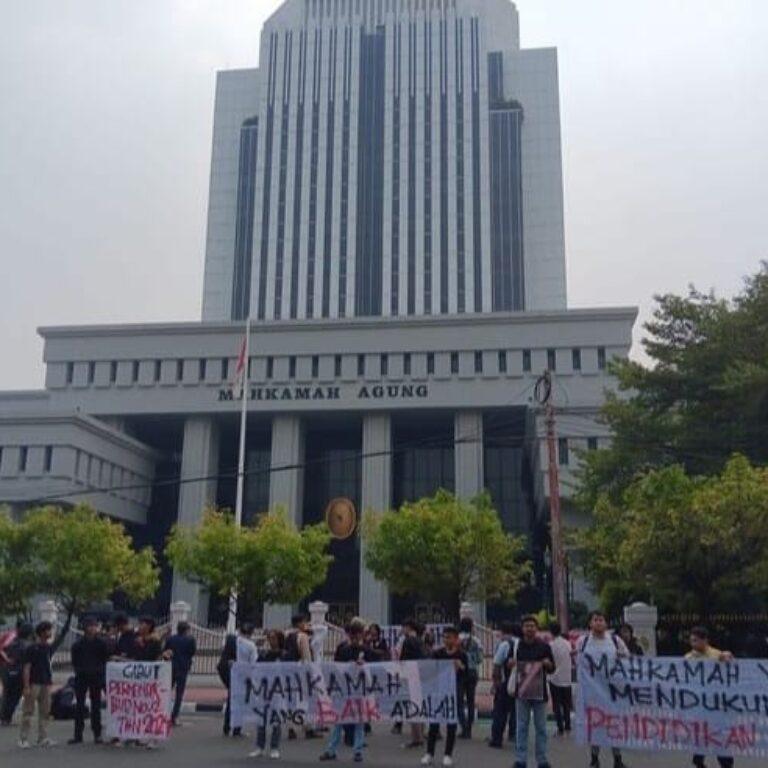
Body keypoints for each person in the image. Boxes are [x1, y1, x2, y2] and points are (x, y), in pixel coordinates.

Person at [319, 623, 377, 763]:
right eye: (355, 634)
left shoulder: (360, 650)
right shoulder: (349, 649)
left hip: (354, 689)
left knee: (352, 721)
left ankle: (342, 750)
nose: (356, 637)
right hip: (349, 689)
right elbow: (337, 668)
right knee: (345, 721)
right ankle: (342, 750)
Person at [580, 611, 630, 768]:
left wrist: (621, 656)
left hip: (612, 691)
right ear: (590, 623)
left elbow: (627, 659)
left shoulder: (615, 640)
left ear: (606, 623)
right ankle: (594, 758)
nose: (599, 622)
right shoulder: (583, 641)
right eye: (595, 620)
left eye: (601, 620)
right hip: (592, 691)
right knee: (595, 725)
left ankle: (617, 758)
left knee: (614, 725)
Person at [686, 627, 735, 768]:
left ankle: (726, 763)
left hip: (716, 705)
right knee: (701, 735)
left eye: (695, 640)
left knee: (719, 736)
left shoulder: (717, 655)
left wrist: (729, 657)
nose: (693, 644)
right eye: (691, 641)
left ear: (705, 640)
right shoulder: (688, 658)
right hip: (698, 705)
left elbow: (732, 670)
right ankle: (699, 761)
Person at [510, 615, 555, 768]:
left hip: (539, 691)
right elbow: (509, 664)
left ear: (537, 628)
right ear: (522, 629)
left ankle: (542, 760)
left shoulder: (544, 647)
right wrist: (510, 664)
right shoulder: (516, 646)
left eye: (532, 626)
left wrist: (548, 664)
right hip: (521, 691)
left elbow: (552, 668)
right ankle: (520, 759)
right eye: (526, 626)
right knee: (521, 726)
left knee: (541, 727)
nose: (529, 628)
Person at [421, 626, 467, 767]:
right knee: (434, 724)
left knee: (451, 725)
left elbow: (467, 675)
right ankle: (429, 753)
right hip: (438, 692)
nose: (446, 640)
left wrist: (461, 667)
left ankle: (448, 755)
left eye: (449, 637)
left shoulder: (461, 655)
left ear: (456, 639)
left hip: (454, 693)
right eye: (444, 637)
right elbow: (430, 670)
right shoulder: (437, 653)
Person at [69, 617, 109, 745]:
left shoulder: (101, 643)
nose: (93, 628)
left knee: (96, 706)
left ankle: (97, 734)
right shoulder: (77, 645)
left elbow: (105, 659)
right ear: (85, 628)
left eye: (94, 626)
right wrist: (79, 671)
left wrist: (99, 671)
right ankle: (77, 734)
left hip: (96, 676)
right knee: (79, 706)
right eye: (90, 626)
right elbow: (74, 661)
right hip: (81, 676)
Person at [19, 621, 56, 749]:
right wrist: (26, 685)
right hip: (34, 682)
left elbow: (49, 665)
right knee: (28, 711)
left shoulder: (49, 647)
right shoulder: (32, 648)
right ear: (41, 632)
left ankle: (43, 737)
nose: (50, 633)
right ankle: (23, 738)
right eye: (48, 630)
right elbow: (27, 667)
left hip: (46, 682)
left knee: (45, 711)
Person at [249, 630, 285, 760]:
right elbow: (256, 667)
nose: (271, 641)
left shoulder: (284, 654)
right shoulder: (265, 654)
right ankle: (260, 746)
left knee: (276, 720)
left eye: (274, 638)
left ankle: (274, 747)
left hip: (278, 691)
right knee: (261, 719)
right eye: (270, 638)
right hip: (265, 689)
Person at [284, 614, 318, 740]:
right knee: (305, 700)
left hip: (288, 671)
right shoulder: (302, 637)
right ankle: (308, 727)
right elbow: (306, 657)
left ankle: (290, 727)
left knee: (291, 700)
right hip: (301, 672)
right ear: (299, 623)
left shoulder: (287, 635)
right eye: (304, 622)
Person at [489, 621, 518, 749]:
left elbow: (497, 665)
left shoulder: (505, 644)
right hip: (521, 683)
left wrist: (496, 683)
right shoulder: (521, 643)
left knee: (500, 711)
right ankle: (514, 734)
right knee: (516, 710)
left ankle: (497, 738)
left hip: (506, 682)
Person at [399, 619, 427, 749]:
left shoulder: (408, 641)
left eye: (403, 627)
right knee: (419, 705)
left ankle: (416, 738)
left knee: (413, 706)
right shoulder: (420, 641)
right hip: (421, 675)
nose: (402, 630)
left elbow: (403, 660)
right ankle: (420, 734)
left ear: (408, 628)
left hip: (411, 675)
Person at [164, 621, 197, 726]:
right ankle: (174, 716)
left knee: (167, 691)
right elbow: (192, 652)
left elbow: (166, 651)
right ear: (186, 630)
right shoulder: (190, 640)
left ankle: (164, 713)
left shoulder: (171, 639)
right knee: (179, 693)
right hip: (183, 667)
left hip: (171, 667)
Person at [1, 622, 33, 726]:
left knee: (7, 694)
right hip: (19, 673)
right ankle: (6, 717)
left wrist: (7, 661)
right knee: (14, 697)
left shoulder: (13, 642)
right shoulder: (27, 646)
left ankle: (4, 717)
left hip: (7, 671)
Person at [457, 617, 483, 740]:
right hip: (472, 672)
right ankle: (469, 728)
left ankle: (463, 726)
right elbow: (480, 659)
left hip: (459, 671)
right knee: (471, 700)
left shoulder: (456, 640)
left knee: (459, 701)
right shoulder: (476, 641)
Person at [547, 622, 573, 736]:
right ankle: (568, 725)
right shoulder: (567, 643)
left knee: (557, 704)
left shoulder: (551, 645)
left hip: (554, 678)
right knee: (566, 704)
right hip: (567, 677)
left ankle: (560, 727)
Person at [217, 632, 238, 737]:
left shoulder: (225, 656)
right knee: (235, 702)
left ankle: (228, 726)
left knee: (231, 701)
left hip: (229, 680)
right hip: (234, 681)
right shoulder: (233, 657)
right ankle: (235, 728)